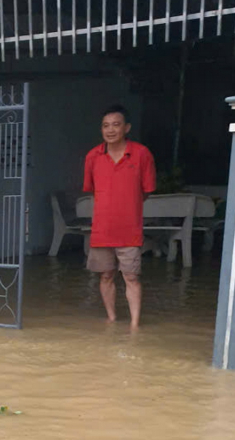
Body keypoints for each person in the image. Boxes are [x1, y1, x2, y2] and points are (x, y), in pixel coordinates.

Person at [84, 104, 156, 330]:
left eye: (116, 125)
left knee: (131, 277)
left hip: (129, 230)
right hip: (102, 230)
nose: (110, 130)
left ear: (127, 128)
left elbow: (146, 191)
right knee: (105, 276)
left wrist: (127, 206)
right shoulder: (93, 156)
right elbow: (93, 190)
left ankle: (134, 325)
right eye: (105, 126)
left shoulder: (141, 154)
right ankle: (112, 318)